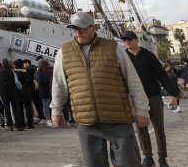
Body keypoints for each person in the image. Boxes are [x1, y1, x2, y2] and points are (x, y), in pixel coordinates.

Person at [50, 12, 150, 167]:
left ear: (93, 28)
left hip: (118, 118)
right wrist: (56, 110)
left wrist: (142, 110)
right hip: (86, 121)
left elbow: (133, 80)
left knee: (128, 163)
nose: (78, 32)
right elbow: (59, 84)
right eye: (74, 28)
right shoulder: (64, 52)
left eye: (82, 28)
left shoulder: (113, 47)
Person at [120, 30, 179, 167]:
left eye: (129, 39)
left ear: (136, 40)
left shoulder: (149, 56)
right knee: (141, 129)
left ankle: (162, 157)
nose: (127, 42)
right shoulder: (123, 57)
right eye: (124, 40)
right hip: (134, 98)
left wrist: (172, 93)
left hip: (153, 96)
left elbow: (162, 75)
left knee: (159, 127)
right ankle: (148, 157)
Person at [0, 59, 22, 131]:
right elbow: (16, 82)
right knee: (15, 108)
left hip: (3, 92)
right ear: (8, 64)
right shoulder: (12, 71)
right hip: (13, 91)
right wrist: (20, 88)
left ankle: (9, 125)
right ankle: (18, 125)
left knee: (6, 108)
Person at [35, 59, 54, 124]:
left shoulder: (38, 72)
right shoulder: (51, 70)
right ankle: (50, 119)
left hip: (44, 90)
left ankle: (48, 120)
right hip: (51, 90)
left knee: (46, 106)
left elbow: (40, 80)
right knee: (50, 106)